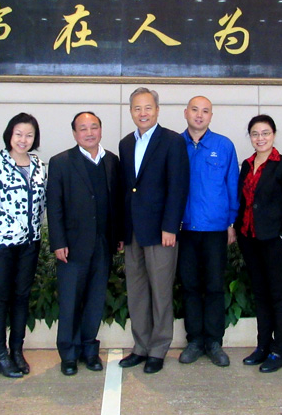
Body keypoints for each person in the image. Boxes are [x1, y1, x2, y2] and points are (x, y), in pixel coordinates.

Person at [118, 87, 189, 374]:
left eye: (148, 107)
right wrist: (122, 231)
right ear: (131, 111)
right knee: (136, 291)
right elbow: (127, 190)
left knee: (160, 291)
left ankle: (158, 348)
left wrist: (171, 226)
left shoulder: (172, 141)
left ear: (157, 110)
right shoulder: (125, 143)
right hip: (133, 231)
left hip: (161, 231)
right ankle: (141, 346)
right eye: (137, 108)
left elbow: (178, 186)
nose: (143, 113)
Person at [47, 112, 121, 376]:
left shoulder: (112, 161)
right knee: (70, 301)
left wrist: (118, 235)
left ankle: (89, 349)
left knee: (95, 300)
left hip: (103, 242)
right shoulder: (60, 162)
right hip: (72, 245)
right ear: (74, 133)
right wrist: (58, 241)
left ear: (100, 130)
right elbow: (54, 205)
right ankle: (68, 353)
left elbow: (116, 202)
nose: (89, 133)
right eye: (83, 128)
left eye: (94, 127)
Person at [0, 113, 47, 379]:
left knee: (21, 297)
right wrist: (16, 230)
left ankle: (17, 350)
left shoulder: (38, 165)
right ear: (10, 135)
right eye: (19, 134)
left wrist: (32, 231)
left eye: (29, 135)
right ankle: (0, 355)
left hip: (30, 244)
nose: (23, 140)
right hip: (1, 245)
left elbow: (42, 203)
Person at [235, 114, 282, 373]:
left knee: (279, 295)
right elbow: (242, 200)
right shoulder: (247, 164)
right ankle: (262, 345)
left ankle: (278, 349)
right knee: (261, 294)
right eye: (255, 133)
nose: (260, 138)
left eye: (265, 133)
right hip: (250, 238)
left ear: (273, 135)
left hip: (274, 240)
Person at [177, 96, 239, 367]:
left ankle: (214, 342)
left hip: (215, 229)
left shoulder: (224, 146)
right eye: (195, 110)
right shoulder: (174, 145)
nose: (199, 115)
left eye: (205, 111)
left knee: (214, 287)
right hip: (184, 229)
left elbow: (232, 185)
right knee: (190, 286)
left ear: (211, 116)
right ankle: (194, 341)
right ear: (185, 113)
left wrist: (231, 223)